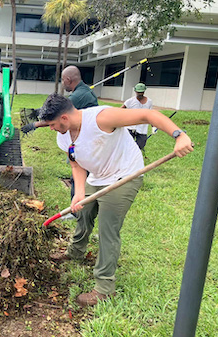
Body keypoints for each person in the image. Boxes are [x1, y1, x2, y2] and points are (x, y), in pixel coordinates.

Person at [39, 93, 193, 307]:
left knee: (107, 230)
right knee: (82, 213)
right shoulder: (63, 135)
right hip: (98, 176)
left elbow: (148, 115)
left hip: (124, 176)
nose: (51, 128)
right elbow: (75, 163)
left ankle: (104, 288)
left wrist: (179, 135)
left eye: (53, 124)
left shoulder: (101, 118)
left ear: (64, 118)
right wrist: (80, 191)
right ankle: (75, 252)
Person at [21, 65, 98, 134]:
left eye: (63, 80)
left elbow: (56, 115)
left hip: (89, 133)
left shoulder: (77, 96)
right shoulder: (83, 90)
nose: (63, 83)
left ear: (68, 80)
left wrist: (34, 125)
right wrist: (37, 111)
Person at [121, 83, 153, 150]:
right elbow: (120, 110)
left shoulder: (149, 102)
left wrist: (153, 126)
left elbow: (151, 114)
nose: (140, 94)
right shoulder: (130, 101)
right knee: (127, 145)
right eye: (138, 92)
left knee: (141, 144)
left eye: (141, 92)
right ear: (135, 91)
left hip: (142, 128)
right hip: (130, 126)